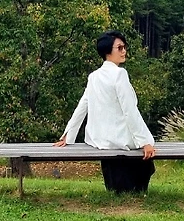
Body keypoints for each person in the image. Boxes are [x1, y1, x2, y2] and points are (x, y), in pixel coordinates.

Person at [54, 30, 157, 194]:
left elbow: (83, 105)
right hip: (118, 139)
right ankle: (135, 189)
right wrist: (145, 141)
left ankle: (122, 189)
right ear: (107, 51)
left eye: (124, 47)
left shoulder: (94, 76)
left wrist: (69, 134)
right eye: (120, 48)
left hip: (99, 139)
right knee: (144, 155)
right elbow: (129, 110)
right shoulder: (120, 74)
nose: (124, 51)